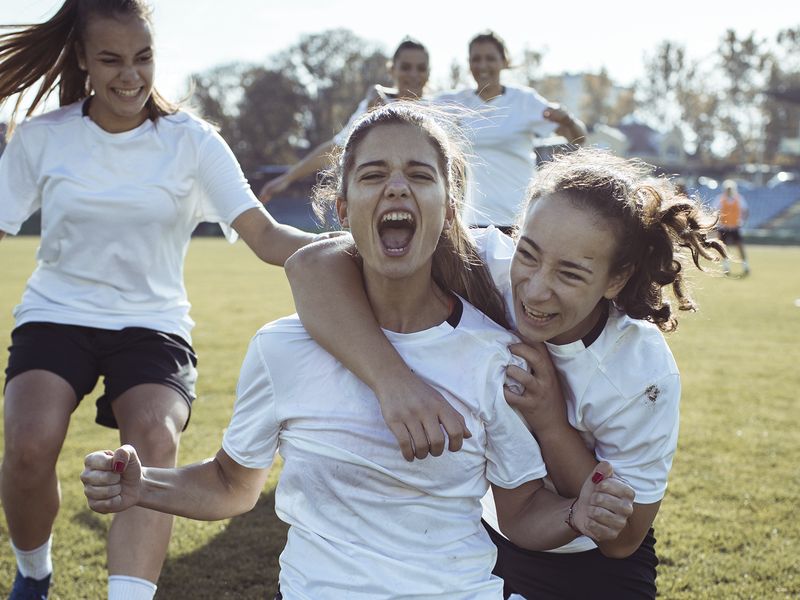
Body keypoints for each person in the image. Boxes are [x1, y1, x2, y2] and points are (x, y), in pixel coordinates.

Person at [82, 104, 635, 599]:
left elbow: (519, 512)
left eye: (420, 175)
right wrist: (143, 484)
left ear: (449, 209)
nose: (397, 188)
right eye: (374, 175)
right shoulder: (282, 348)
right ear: (343, 213)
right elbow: (230, 484)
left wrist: (575, 514)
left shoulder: (495, 355)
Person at [283, 147, 727, 598]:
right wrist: (392, 381)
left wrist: (551, 422)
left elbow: (623, 538)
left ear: (615, 279)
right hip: (488, 538)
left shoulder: (642, 371)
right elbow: (311, 265)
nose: (535, 290)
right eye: (529, 254)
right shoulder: (483, 266)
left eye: (571, 275)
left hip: (588, 560)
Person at [0, 2, 316, 599]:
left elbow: (267, 235)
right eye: (112, 60)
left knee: (152, 439)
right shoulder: (44, 137)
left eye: (142, 58)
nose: (130, 75)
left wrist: (347, 250)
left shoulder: (193, 143)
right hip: (56, 313)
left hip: (151, 324)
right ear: (84, 63)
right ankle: (34, 573)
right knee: (29, 444)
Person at [435, 31, 586, 232]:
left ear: (504, 61)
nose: (482, 65)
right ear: (469, 63)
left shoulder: (524, 101)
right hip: (468, 220)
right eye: (476, 59)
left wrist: (567, 118)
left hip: (517, 218)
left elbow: (578, 138)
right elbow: (408, 104)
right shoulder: (454, 102)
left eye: (490, 58)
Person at [258, 37, 430, 203]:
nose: (414, 74)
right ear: (392, 70)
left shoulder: (442, 108)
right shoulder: (373, 104)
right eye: (406, 67)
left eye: (421, 68)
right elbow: (338, 146)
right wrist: (287, 178)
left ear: (428, 73)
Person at [713, 179, 749, 275]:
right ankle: (726, 267)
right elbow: (715, 212)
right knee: (723, 248)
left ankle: (746, 266)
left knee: (740, 247)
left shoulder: (739, 199)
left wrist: (742, 222)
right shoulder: (720, 199)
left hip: (735, 227)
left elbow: (745, 211)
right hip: (723, 228)